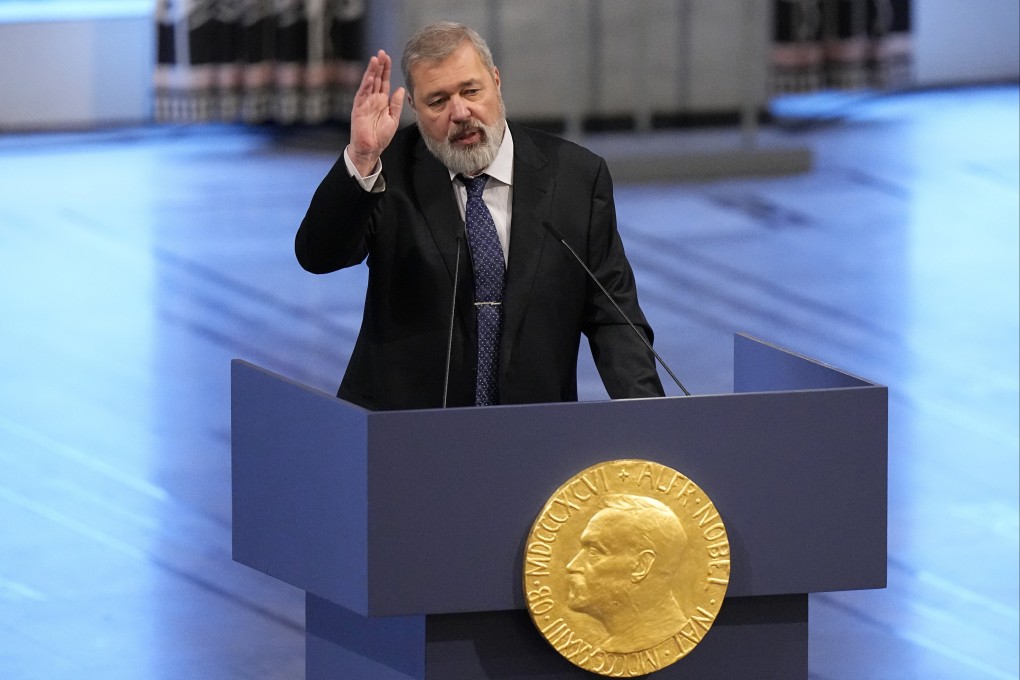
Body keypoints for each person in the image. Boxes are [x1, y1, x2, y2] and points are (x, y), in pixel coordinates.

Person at [296, 21, 664, 410]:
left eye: (471, 91)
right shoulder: (388, 172)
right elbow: (319, 255)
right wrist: (362, 158)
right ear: (413, 108)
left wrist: (651, 419)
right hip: (406, 433)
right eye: (437, 101)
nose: (460, 112)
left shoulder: (575, 178)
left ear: (496, 81)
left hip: (533, 432)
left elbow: (614, 317)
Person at [565, 494, 688, 653]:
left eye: (594, 552)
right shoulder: (616, 644)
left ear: (641, 566)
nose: (572, 566)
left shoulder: (659, 635)